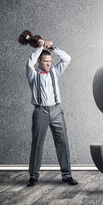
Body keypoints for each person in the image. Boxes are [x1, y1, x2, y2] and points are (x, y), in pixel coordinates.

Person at [26, 39, 78, 186]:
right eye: (45, 61)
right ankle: (33, 176)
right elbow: (29, 63)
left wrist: (52, 48)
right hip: (40, 111)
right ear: (39, 61)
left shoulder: (55, 71)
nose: (49, 63)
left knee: (63, 143)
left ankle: (67, 175)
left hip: (56, 110)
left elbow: (67, 58)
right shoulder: (33, 74)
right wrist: (40, 47)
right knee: (37, 144)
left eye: (50, 61)